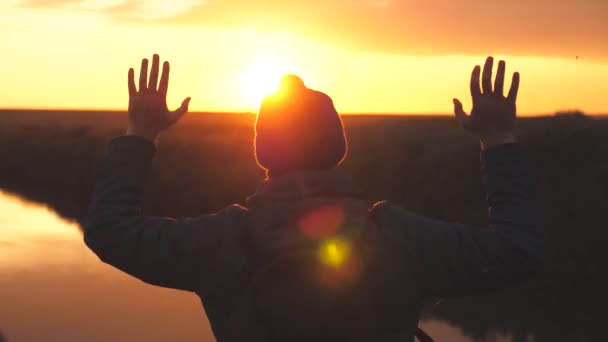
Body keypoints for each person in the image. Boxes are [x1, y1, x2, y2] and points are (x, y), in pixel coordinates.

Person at [85, 54, 543, 341]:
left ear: (262, 151)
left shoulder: (220, 239)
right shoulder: (399, 237)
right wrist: (498, 138)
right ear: (338, 147)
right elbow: (519, 251)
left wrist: (140, 132)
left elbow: (109, 230)